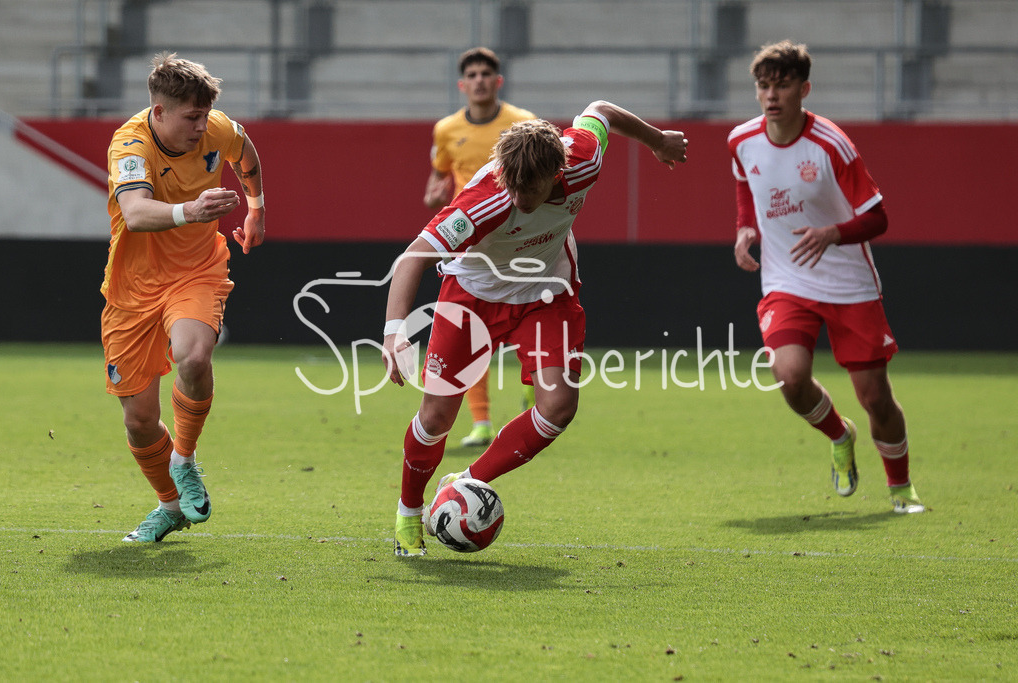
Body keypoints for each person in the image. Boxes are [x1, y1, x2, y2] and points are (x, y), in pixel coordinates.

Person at [385, 100, 689, 556]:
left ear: (557, 172)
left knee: (559, 406)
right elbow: (413, 257)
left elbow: (601, 110)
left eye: (532, 187)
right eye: (515, 184)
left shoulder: (582, 159)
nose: (521, 197)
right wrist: (394, 332)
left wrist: (656, 140)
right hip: (473, 297)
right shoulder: (483, 201)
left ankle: (467, 482)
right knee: (436, 417)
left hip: (546, 294)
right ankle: (409, 511)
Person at [727, 40, 923, 514]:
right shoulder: (740, 140)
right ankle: (840, 434)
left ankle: (901, 488)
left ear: (804, 88)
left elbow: (878, 218)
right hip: (785, 280)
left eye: (783, 84)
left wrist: (832, 232)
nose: (771, 95)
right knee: (790, 377)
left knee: (876, 397)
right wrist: (745, 228)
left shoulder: (831, 144)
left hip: (848, 285)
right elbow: (745, 185)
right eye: (763, 85)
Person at [101, 53, 266, 542]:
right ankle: (169, 507)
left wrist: (256, 208)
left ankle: (185, 459)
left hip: (197, 270)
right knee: (139, 421)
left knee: (194, 358)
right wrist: (191, 209)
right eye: (190, 118)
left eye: (204, 116)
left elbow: (247, 154)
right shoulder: (129, 144)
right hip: (132, 289)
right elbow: (134, 213)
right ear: (158, 112)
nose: (201, 127)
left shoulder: (215, 127)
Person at [423, 47, 537, 448]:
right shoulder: (446, 130)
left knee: (526, 311)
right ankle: (482, 422)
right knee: (472, 331)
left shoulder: (522, 123)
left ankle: (532, 382)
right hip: (470, 239)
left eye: (486, 73)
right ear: (462, 84)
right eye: (471, 74)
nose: (479, 80)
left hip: (518, 236)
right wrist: (436, 196)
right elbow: (438, 178)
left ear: (498, 81)